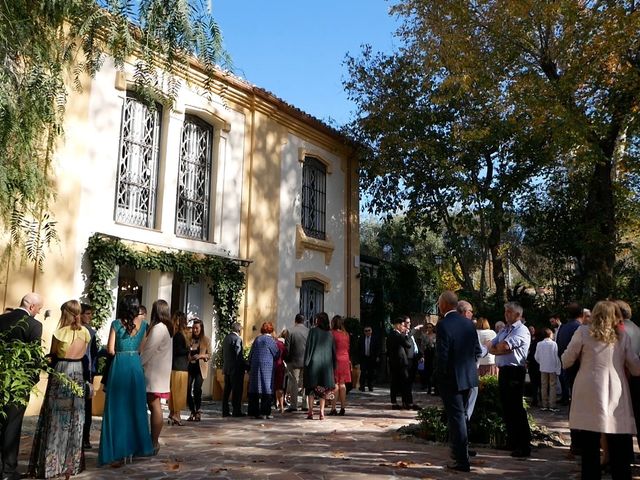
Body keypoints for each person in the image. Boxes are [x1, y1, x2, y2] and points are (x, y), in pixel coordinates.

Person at [562, 300, 640, 480]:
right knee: (618, 443)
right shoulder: (622, 336)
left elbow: (567, 360)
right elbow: (636, 368)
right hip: (615, 389)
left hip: (588, 389)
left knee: (589, 445)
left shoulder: (582, 332)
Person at [29, 300, 89, 479]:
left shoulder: (59, 332)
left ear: (66, 313)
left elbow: (53, 354)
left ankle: (52, 464)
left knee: (55, 417)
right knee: (75, 418)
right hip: (78, 373)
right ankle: (72, 463)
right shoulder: (85, 332)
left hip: (62, 372)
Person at [98, 295, 153, 465]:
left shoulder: (116, 324)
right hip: (135, 365)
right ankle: (133, 449)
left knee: (116, 408)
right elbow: (141, 349)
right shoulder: (144, 325)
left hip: (119, 364)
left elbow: (111, 349)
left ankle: (117, 450)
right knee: (135, 407)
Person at [436, 292, 481, 472]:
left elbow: (443, 355)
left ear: (445, 304)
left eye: (439, 303)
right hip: (468, 377)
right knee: (461, 416)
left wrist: (439, 377)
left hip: (451, 379)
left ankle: (462, 460)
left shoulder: (444, 324)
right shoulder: (468, 323)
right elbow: (477, 350)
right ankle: (460, 451)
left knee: (456, 417)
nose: (439, 306)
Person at [0, 292, 43, 480]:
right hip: (18, 383)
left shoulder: (1, 320)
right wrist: (31, 380)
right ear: (32, 307)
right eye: (39, 309)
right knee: (13, 425)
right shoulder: (34, 325)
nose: (39, 312)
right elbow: (34, 357)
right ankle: (8, 471)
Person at [486, 301, 532, 458]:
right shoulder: (505, 329)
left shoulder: (521, 330)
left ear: (518, 315)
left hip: (514, 371)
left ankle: (523, 444)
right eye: (505, 311)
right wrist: (496, 349)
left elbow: (503, 347)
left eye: (509, 312)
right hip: (504, 371)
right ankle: (512, 441)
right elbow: (490, 345)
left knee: (516, 408)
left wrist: (496, 350)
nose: (506, 314)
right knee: (506, 407)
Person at [140, 299, 173, 454]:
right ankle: (153, 441)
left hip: (153, 373)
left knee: (154, 406)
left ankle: (153, 442)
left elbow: (148, 350)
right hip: (159, 373)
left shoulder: (159, 328)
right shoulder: (166, 328)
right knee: (155, 406)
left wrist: (137, 363)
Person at [615, 300, 640, 451]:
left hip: (624, 377)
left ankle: (625, 452)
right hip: (636, 377)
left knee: (623, 417)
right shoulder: (638, 329)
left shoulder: (620, 331)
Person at [303, 312, 336, 420]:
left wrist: (306, 362)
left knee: (311, 389)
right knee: (323, 389)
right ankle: (321, 412)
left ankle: (311, 411)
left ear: (319, 320)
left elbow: (308, 347)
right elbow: (333, 351)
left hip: (313, 364)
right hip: (326, 366)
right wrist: (333, 366)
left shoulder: (313, 331)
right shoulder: (330, 334)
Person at [247, 322, 279, 419]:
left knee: (255, 387)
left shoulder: (257, 339)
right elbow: (276, 354)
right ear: (271, 330)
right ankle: (265, 412)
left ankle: (253, 412)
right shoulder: (270, 340)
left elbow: (251, 353)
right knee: (266, 388)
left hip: (255, 366)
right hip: (267, 367)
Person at [79, 303, 98, 450]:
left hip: (86, 370)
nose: (90, 316)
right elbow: (93, 354)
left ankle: (85, 437)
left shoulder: (91, 331)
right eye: (88, 313)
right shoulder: (89, 332)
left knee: (86, 405)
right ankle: (84, 438)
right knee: (85, 405)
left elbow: (94, 353)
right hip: (84, 370)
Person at [186, 318, 211, 422]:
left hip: (200, 369)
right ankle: (192, 410)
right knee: (187, 389)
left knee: (197, 389)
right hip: (190, 367)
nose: (195, 330)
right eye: (193, 328)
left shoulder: (206, 340)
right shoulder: (189, 339)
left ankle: (198, 410)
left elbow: (209, 355)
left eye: (197, 328)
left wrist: (200, 355)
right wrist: (189, 357)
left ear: (201, 329)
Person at [168, 311, 189, 426]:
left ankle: (172, 413)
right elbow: (178, 351)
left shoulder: (175, 335)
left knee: (175, 391)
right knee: (179, 393)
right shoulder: (179, 336)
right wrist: (189, 350)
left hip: (176, 366)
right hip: (180, 367)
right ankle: (177, 415)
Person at [284, 314, 308, 412]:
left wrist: (286, 359)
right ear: (304, 321)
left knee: (294, 382)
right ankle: (305, 404)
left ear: (295, 320)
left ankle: (293, 405)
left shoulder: (290, 331)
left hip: (293, 361)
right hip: (306, 361)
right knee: (305, 383)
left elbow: (287, 348)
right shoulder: (308, 331)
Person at [387, 317, 412, 410]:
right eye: (402, 325)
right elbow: (408, 345)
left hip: (393, 362)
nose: (403, 327)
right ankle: (407, 402)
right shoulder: (398, 335)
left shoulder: (390, 335)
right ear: (397, 325)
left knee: (394, 383)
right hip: (401, 363)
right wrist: (406, 335)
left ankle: (394, 402)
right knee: (405, 382)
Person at [328, 315, 351, 416]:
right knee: (342, 384)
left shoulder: (332, 334)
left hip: (336, 359)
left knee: (335, 384)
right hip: (345, 359)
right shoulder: (346, 334)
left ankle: (333, 408)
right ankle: (343, 407)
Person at [222, 322, 246, 417]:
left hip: (227, 367)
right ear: (239, 330)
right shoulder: (237, 339)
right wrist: (245, 365)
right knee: (237, 391)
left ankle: (225, 411)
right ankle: (236, 411)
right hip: (236, 369)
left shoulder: (226, 338)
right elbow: (238, 355)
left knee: (227, 390)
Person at [534, 328, 561, 412]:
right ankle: (552, 405)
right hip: (552, 367)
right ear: (550, 334)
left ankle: (544, 404)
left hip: (543, 367)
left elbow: (536, 356)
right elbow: (556, 357)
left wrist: (541, 362)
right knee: (552, 386)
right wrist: (558, 367)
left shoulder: (539, 344)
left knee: (543, 386)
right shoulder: (554, 344)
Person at [403, 316, 422, 410]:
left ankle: (409, 402)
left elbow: (415, 345)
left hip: (414, 359)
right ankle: (407, 402)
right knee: (407, 382)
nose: (409, 324)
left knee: (410, 381)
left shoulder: (410, 332)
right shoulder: (404, 332)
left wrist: (420, 355)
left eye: (409, 322)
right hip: (408, 360)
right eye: (407, 322)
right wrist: (415, 329)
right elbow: (406, 338)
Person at [357, 325, 380, 392]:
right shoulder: (361, 338)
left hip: (372, 358)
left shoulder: (374, 338)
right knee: (363, 373)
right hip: (364, 358)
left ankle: (370, 386)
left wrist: (377, 356)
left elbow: (377, 348)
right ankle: (362, 386)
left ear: (371, 331)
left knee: (371, 373)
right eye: (366, 331)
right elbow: (358, 348)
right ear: (364, 332)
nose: (367, 332)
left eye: (369, 330)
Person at [273, 329, 288, 413]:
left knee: (274, 387)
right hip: (280, 366)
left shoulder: (274, 343)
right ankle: (281, 407)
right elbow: (286, 356)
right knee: (280, 387)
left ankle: (276, 402)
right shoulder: (282, 345)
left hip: (272, 366)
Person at [420, 323, 437, 394]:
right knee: (427, 371)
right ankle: (428, 388)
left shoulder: (435, 336)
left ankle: (434, 387)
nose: (428, 329)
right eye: (427, 327)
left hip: (434, 354)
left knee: (433, 371)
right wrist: (422, 355)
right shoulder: (424, 336)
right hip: (427, 354)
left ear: (433, 328)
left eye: (430, 327)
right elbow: (422, 346)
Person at [527, 326, 542, 407]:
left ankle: (536, 400)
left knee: (535, 383)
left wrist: (527, 360)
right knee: (538, 383)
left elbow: (531, 354)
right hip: (537, 365)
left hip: (534, 364)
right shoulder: (538, 341)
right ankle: (539, 399)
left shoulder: (535, 342)